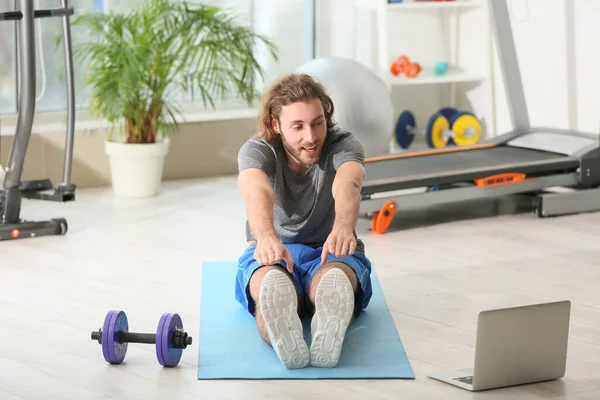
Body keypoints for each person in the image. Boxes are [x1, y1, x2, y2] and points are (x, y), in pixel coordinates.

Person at [234, 72, 373, 370]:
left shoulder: (344, 144)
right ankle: (284, 330)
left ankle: (327, 318)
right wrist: (266, 235)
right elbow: (256, 190)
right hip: (274, 248)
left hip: (330, 246)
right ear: (275, 124)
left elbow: (349, 181)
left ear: (327, 116)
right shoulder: (257, 150)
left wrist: (344, 226)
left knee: (335, 280)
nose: (310, 137)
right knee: (267, 284)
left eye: (317, 122)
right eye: (297, 126)